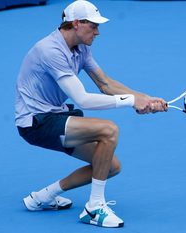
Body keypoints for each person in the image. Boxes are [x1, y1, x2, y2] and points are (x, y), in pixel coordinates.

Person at [15, 0, 167, 228]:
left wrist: (145, 98)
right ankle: (95, 207)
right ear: (76, 23)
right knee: (109, 130)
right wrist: (131, 101)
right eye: (93, 26)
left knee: (109, 166)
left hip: (57, 116)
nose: (98, 32)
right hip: (36, 123)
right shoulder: (50, 50)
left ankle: (43, 197)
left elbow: (106, 83)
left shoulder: (82, 48)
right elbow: (82, 99)